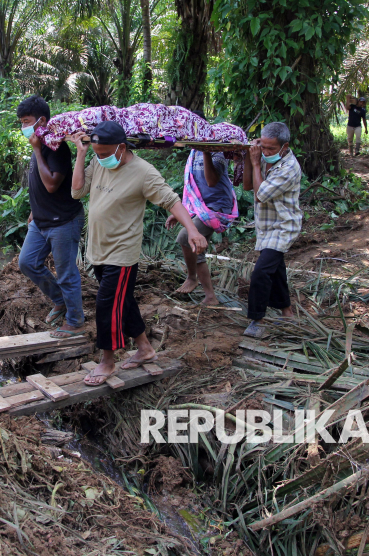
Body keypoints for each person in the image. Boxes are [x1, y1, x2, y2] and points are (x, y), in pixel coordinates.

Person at [71, 121, 208, 386]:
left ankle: (107, 361)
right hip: (98, 249)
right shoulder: (98, 163)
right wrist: (81, 154)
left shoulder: (143, 172)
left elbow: (171, 199)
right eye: (97, 153)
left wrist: (192, 229)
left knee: (107, 304)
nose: (100, 158)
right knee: (124, 301)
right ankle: (145, 349)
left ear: (121, 148)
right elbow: (77, 191)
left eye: (104, 153)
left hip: (122, 253)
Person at [16, 95, 85, 339]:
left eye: (27, 121)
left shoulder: (55, 147)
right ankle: (60, 300)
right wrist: (34, 210)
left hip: (63, 221)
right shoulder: (41, 145)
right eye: (21, 122)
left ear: (42, 120)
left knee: (66, 273)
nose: (23, 127)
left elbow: (52, 184)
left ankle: (76, 322)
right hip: (42, 221)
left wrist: (36, 149)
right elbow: (38, 185)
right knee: (27, 262)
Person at [166, 111, 238, 306]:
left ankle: (193, 279)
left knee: (185, 238)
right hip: (202, 208)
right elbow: (192, 188)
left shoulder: (217, 150)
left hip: (217, 208)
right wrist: (184, 213)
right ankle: (210, 296)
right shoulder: (193, 152)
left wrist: (206, 149)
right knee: (194, 244)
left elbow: (211, 181)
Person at [241, 122, 302, 339]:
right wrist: (251, 158)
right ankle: (287, 312)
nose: (266, 153)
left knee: (261, 272)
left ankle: (257, 320)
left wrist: (257, 163)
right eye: (263, 147)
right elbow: (248, 186)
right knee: (276, 270)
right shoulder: (264, 159)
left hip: (283, 226)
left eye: (271, 149)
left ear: (284, 147)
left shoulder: (288, 168)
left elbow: (260, 195)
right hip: (267, 226)